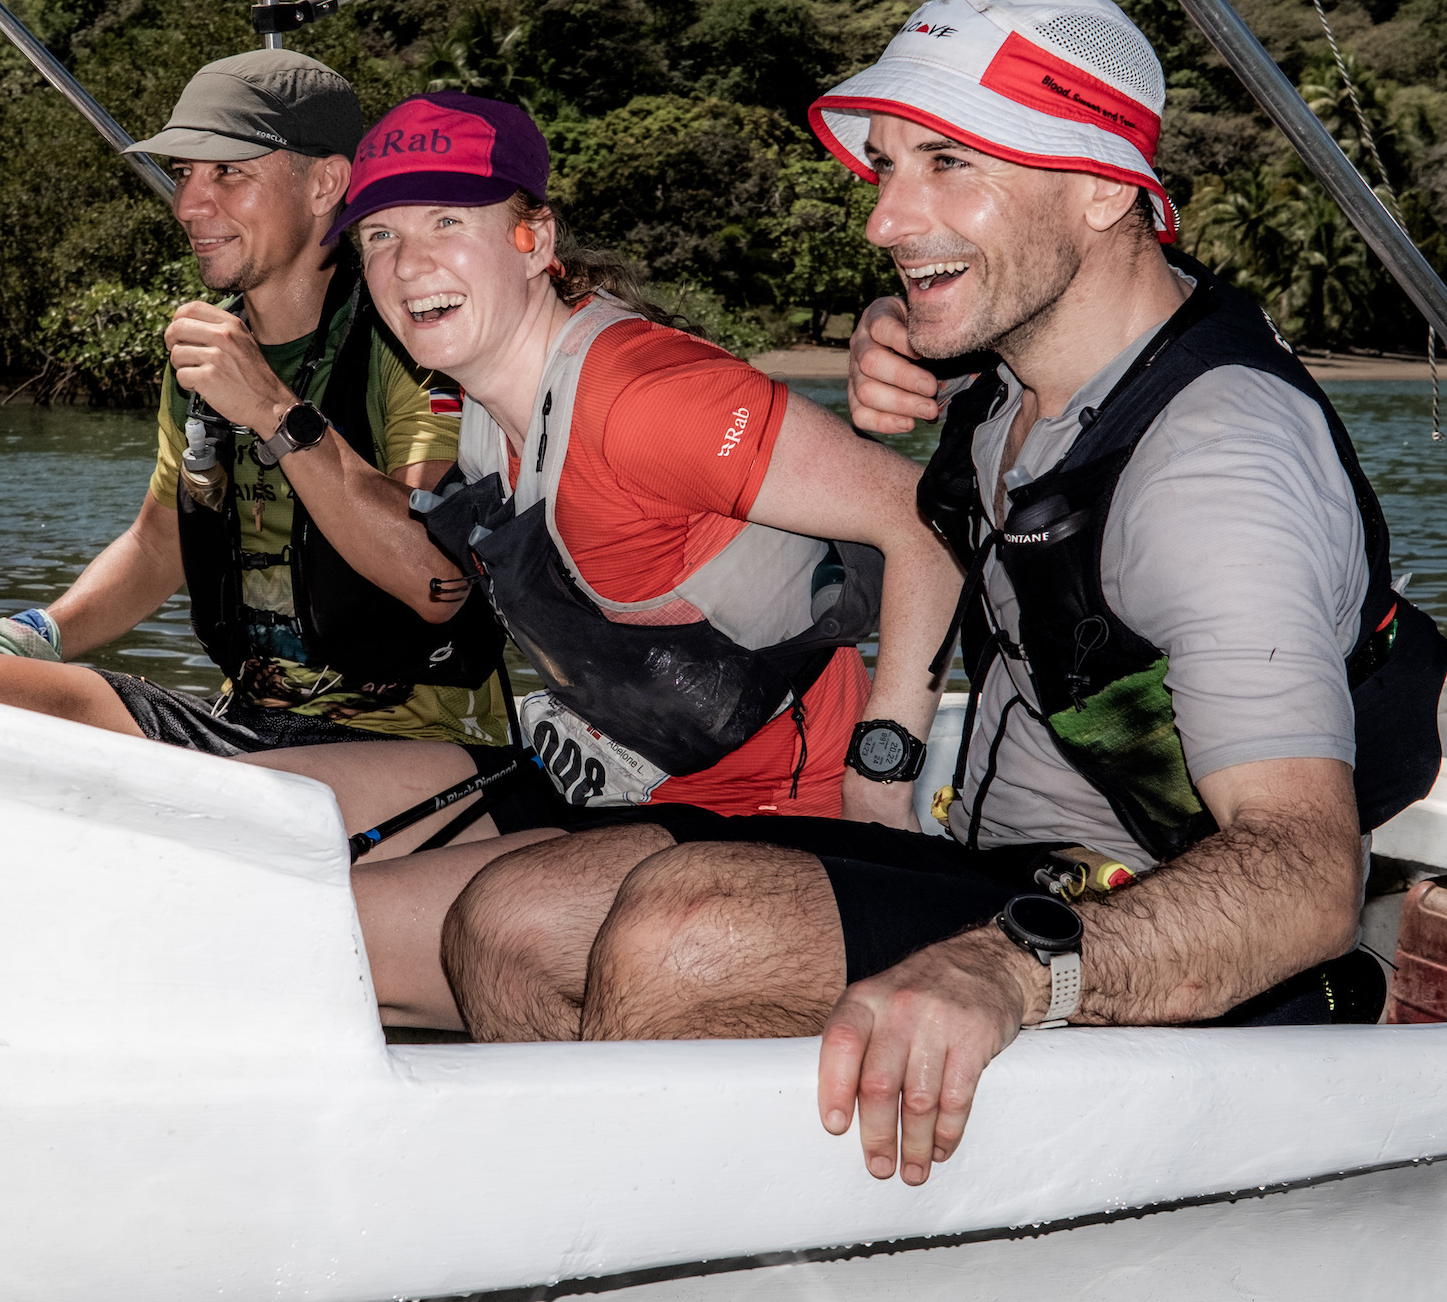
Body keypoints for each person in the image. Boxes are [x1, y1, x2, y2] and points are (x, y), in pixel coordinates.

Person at [437, 0, 1446, 1182]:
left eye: (949, 163)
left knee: (684, 937)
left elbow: (1304, 879)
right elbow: (963, 353)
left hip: (1130, 914)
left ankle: (660, 1220)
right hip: (991, 860)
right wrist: (901, 327)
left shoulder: (1217, 472)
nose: (885, 217)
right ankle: (608, 1213)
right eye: (886, 166)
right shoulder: (1030, 358)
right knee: (504, 918)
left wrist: (1012, 970)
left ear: (1106, 189)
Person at [238, 90, 965, 1031]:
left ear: (535, 240)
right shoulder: (483, 422)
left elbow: (925, 522)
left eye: (448, 220)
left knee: (301, 937)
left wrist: (883, 766)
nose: (409, 262)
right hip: (607, 788)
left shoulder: (643, 401)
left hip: (762, 819)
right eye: (378, 236)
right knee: (251, 816)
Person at [0, 50, 510, 759]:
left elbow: (436, 582)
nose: (189, 204)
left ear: (325, 184)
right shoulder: (203, 354)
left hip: (412, 736)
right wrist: (43, 630)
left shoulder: (412, 343)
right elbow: (159, 547)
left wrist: (275, 410)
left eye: (229, 172)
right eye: (186, 173)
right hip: (248, 719)